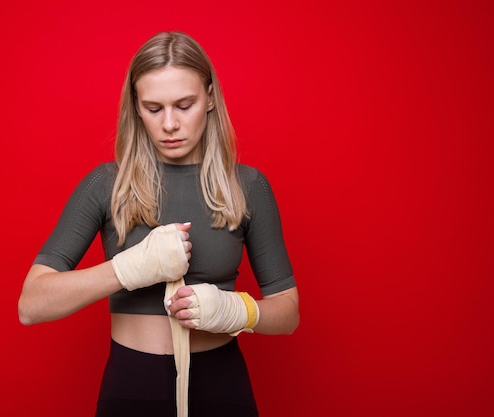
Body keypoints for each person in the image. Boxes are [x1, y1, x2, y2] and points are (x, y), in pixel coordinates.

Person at [18, 31, 300, 417]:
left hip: (222, 386)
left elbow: (289, 313)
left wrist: (234, 310)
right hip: (130, 387)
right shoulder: (107, 185)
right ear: (135, 107)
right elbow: (31, 305)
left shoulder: (247, 187)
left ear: (211, 98)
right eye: (153, 108)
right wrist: (130, 267)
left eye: (185, 105)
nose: (169, 124)